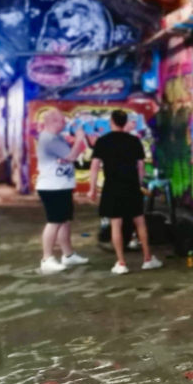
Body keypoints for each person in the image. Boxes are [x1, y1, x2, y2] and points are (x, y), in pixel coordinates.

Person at [89, 110, 162, 274]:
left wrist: (92, 189)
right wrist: (138, 183)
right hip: (131, 186)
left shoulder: (103, 141)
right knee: (140, 222)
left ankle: (121, 263)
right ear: (125, 122)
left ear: (111, 122)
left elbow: (94, 166)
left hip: (112, 187)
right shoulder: (134, 140)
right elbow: (141, 166)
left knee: (116, 224)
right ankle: (148, 259)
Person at [35, 109, 90, 274]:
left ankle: (68, 254)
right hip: (52, 187)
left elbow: (70, 156)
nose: (65, 123)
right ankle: (47, 258)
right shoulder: (49, 139)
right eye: (61, 120)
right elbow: (71, 156)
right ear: (52, 122)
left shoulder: (57, 137)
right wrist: (80, 138)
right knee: (54, 222)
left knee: (64, 220)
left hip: (62, 184)